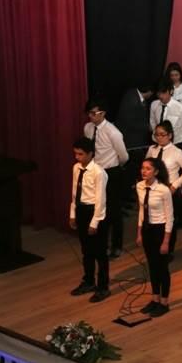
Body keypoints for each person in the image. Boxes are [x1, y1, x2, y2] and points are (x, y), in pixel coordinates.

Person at [83, 97, 129, 259]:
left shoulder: (113, 132)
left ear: (103, 113)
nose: (91, 116)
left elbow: (124, 156)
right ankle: (101, 241)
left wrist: (113, 166)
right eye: (89, 113)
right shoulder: (88, 128)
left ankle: (117, 245)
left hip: (111, 172)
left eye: (94, 113)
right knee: (97, 206)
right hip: (95, 171)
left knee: (113, 209)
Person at [68, 137, 110, 303]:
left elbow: (100, 200)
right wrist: (73, 213)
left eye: (80, 154)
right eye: (75, 154)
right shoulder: (76, 168)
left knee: (100, 252)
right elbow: (74, 192)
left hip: (95, 212)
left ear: (91, 154)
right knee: (86, 250)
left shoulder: (98, 172)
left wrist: (95, 222)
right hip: (81, 210)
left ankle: (103, 287)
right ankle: (89, 281)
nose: (77, 157)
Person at [135, 157, 173, 317]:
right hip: (147, 229)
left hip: (160, 230)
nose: (144, 171)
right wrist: (139, 233)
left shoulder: (163, 190)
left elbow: (169, 217)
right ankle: (155, 299)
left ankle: (164, 302)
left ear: (156, 172)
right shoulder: (139, 186)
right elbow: (141, 211)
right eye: (142, 168)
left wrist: (166, 241)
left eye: (148, 168)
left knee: (162, 267)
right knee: (152, 266)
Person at [146, 121, 182, 254]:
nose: (159, 138)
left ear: (170, 135)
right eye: (157, 135)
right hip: (154, 189)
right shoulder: (152, 150)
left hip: (169, 189)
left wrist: (175, 185)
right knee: (155, 218)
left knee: (169, 220)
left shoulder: (176, 152)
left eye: (162, 135)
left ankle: (169, 248)